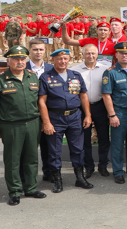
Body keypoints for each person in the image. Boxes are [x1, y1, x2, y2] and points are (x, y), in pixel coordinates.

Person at [0, 46, 47, 205]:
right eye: (16, 59)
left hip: (33, 123)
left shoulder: (33, 77)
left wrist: (43, 122)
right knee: (13, 159)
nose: (20, 62)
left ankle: (31, 187)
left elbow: (39, 102)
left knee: (32, 157)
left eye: (22, 59)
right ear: (8, 61)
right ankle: (14, 191)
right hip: (11, 125)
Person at [38, 49, 93, 192]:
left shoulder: (76, 75)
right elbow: (42, 101)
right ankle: (57, 181)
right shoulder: (46, 77)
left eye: (65, 59)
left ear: (69, 60)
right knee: (54, 150)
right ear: (53, 61)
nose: (63, 61)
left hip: (75, 117)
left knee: (78, 149)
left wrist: (88, 115)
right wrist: (46, 122)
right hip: (55, 118)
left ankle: (80, 178)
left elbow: (83, 96)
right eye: (59, 59)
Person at [102, 41, 127, 184]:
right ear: (116, 54)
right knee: (118, 143)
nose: (124, 55)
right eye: (121, 53)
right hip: (119, 112)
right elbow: (106, 95)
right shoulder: (110, 72)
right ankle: (118, 171)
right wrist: (112, 115)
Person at [71, 44, 111, 178]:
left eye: (93, 53)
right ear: (83, 54)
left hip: (100, 106)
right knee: (85, 139)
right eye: (88, 53)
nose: (91, 56)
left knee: (104, 138)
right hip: (82, 108)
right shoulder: (74, 70)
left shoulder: (105, 69)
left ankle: (103, 165)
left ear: (97, 54)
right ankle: (88, 167)